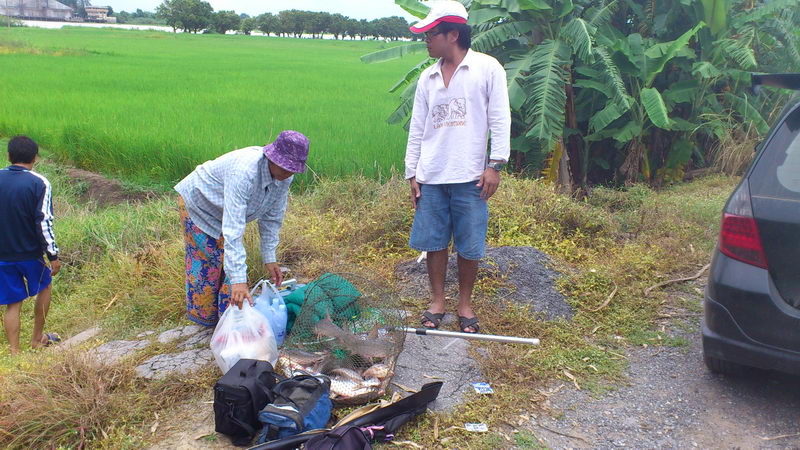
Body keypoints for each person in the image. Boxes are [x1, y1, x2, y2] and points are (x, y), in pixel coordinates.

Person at [405, 1, 511, 333]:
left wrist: (495, 165)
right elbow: (417, 127)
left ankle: (465, 304)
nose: (426, 41)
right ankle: (438, 301)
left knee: (469, 244)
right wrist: (412, 173)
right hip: (432, 175)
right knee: (434, 242)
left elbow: (500, 118)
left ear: (453, 34)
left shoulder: (487, 68)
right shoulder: (428, 77)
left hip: (470, 175)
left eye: (430, 35)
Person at [174, 130, 309, 327]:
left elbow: (272, 217)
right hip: (200, 204)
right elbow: (233, 231)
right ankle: (207, 324)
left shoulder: (285, 178)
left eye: (294, 169)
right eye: (287, 167)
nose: (291, 173)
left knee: (232, 271)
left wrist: (269, 256)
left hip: (225, 211)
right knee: (209, 265)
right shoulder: (244, 172)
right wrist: (238, 280)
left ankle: (228, 321)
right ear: (274, 159)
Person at [0, 136, 62, 355]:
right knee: (44, 286)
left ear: (9, 156)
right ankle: (37, 339)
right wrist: (53, 255)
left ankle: (14, 351)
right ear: (35, 157)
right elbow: (43, 221)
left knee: (13, 303)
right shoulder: (39, 182)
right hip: (29, 253)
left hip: (3, 255)